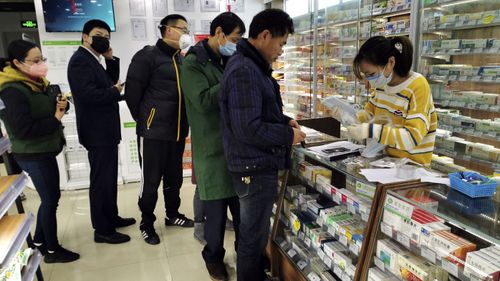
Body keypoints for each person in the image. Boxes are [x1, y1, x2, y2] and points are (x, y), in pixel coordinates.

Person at [219, 9, 306, 281]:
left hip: (253, 164)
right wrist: (287, 136)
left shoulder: (251, 65)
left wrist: (285, 121)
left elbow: (259, 111)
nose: (281, 51)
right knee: (252, 236)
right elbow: (249, 128)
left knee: (253, 233)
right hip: (253, 167)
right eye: (281, 44)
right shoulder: (245, 69)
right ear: (265, 35)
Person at [0, 39, 79, 263]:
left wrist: (62, 104)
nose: (41, 64)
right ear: (16, 62)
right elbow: (23, 130)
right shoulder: (12, 90)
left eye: (42, 59)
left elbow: (51, 105)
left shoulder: (38, 82)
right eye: (35, 61)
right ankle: (52, 251)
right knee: (50, 199)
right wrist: (56, 117)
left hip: (45, 149)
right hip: (32, 153)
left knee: (51, 197)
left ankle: (39, 241)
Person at [181, 12, 245, 281]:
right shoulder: (194, 63)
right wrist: (231, 78)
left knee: (242, 213)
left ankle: (246, 255)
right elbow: (203, 101)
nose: (236, 44)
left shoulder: (229, 58)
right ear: (218, 33)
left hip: (238, 148)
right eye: (234, 38)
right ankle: (214, 258)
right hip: (211, 149)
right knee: (216, 217)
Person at [124, 14, 193, 245]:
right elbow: (133, 95)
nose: (186, 33)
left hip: (177, 131)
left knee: (174, 178)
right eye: (182, 29)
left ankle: (172, 214)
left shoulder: (182, 59)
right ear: (168, 30)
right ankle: (146, 222)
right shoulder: (146, 56)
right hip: (153, 133)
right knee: (150, 181)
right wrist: (146, 121)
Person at [67, 19, 135, 245]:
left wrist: (110, 60)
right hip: (96, 132)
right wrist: (115, 92)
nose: (104, 38)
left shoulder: (94, 59)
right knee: (100, 181)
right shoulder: (80, 61)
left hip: (105, 131)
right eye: (98, 34)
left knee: (108, 178)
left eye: (107, 35)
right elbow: (90, 95)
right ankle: (102, 230)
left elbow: (109, 83)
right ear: (85, 36)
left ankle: (111, 217)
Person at [348, 36, 437, 166]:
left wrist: (371, 130)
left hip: (412, 168)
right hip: (385, 162)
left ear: (391, 62)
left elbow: (412, 137)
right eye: (365, 75)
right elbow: (369, 115)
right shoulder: (382, 85)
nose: (368, 81)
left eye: (371, 74)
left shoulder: (417, 86)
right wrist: (350, 116)